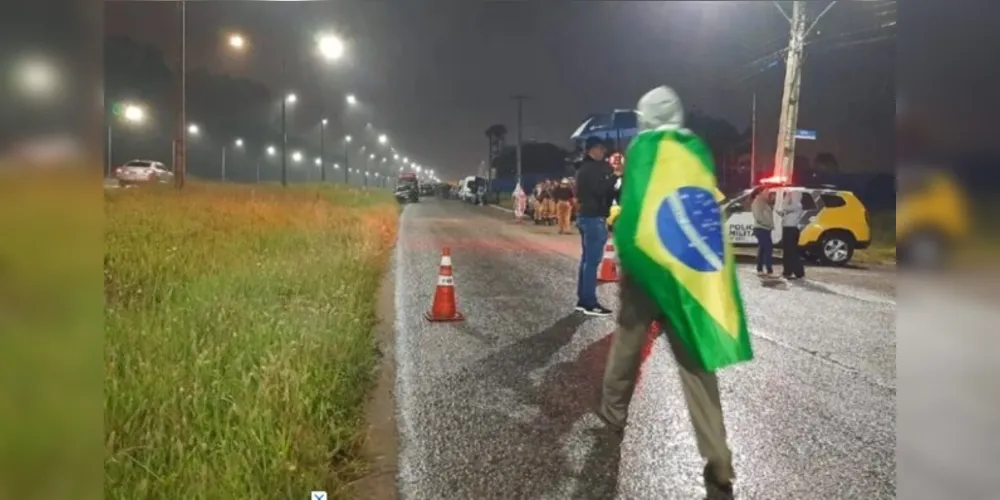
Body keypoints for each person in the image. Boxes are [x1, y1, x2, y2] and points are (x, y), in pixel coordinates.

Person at [596, 86, 736, 499]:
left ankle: (613, 414)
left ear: (645, 118)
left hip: (647, 269)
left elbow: (637, 207)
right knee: (697, 368)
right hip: (687, 273)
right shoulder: (697, 150)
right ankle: (719, 459)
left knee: (627, 342)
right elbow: (706, 206)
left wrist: (623, 246)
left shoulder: (643, 148)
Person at [574, 137, 617, 316]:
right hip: (593, 217)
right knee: (592, 262)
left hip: (587, 216)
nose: (602, 152)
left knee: (587, 260)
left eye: (603, 149)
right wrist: (614, 176)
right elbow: (599, 190)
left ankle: (583, 300)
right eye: (599, 149)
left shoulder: (584, 168)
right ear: (590, 150)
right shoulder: (590, 169)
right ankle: (589, 302)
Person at [777, 190, 805, 279]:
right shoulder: (794, 206)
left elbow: (784, 207)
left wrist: (787, 197)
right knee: (788, 251)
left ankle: (798, 272)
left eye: (791, 195)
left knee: (791, 251)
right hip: (788, 228)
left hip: (791, 229)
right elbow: (785, 211)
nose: (790, 196)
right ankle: (788, 271)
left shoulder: (796, 205)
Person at [751, 187, 775, 276]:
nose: (768, 192)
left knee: (762, 249)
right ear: (760, 192)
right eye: (766, 191)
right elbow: (758, 216)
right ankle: (769, 270)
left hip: (764, 228)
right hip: (762, 228)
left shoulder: (763, 201)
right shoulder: (758, 201)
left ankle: (759, 268)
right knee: (767, 249)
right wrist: (768, 224)